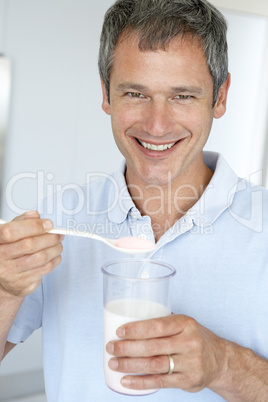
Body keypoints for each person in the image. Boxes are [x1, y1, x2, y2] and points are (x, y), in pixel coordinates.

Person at [1, 0, 268, 400]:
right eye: (135, 93)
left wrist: (225, 364)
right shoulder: (57, 221)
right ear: (106, 93)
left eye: (182, 96)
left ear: (220, 96)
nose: (157, 125)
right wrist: (5, 289)